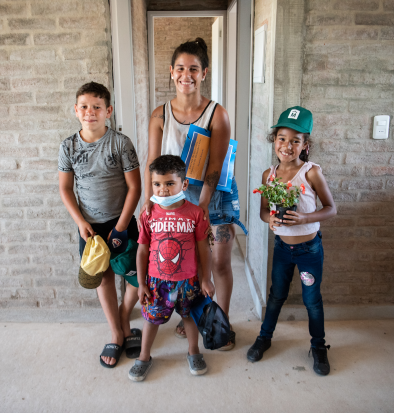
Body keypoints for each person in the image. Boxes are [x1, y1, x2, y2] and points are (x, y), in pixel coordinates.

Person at [141, 38, 246, 350]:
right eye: (181, 68)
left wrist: (202, 207)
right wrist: (148, 201)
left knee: (219, 263)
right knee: (190, 264)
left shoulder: (218, 114)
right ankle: (193, 316)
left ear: (204, 74)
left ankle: (219, 326)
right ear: (172, 72)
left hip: (214, 195)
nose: (187, 74)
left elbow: (215, 165)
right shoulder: (160, 114)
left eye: (194, 69)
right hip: (177, 199)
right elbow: (152, 159)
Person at [246, 106, 337, 376]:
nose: (287, 145)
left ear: (305, 145)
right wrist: (270, 220)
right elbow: (263, 211)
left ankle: (318, 346)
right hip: (282, 249)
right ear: (274, 141)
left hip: (309, 250)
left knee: (312, 300)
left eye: (295, 140)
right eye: (282, 138)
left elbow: (331, 208)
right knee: (276, 296)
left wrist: (305, 218)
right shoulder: (268, 175)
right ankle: (264, 337)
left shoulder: (311, 173)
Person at [58, 82, 142, 368]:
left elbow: (135, 188)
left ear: (109, 111)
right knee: (104, 277)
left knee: (134, 277)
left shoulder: (121, 143)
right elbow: (66, 189)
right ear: (75, 110)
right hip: (90, 229)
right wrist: (80, 222)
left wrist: (120, 226)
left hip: (123, 221)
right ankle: (118, 332)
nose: (89, 112)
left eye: (96, 107)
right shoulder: (68, 146)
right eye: (84, 106)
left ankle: (124, 314)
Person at [129, 155, 214, 381]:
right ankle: (144, 356)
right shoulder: (149, 214)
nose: (163, 190)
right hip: (157, 282)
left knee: (189, 317)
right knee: (151, 319)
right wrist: (141, 283)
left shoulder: (196, 214)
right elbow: (142, 251)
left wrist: (206, 279)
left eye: (169, 183)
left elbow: (204, 249)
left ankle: (193, 351)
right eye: (157, 184)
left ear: (183, 184)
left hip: (189, 281)